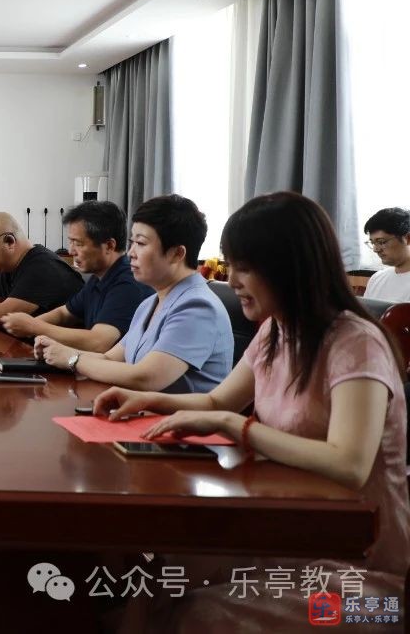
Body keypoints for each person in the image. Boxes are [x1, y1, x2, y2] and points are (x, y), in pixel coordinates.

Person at [96, 191, 408, 629]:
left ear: (289, 267)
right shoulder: (275, 331)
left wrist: (235, 426)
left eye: (244, 268)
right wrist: (148, 400)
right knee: (156, 578)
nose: (232, 280)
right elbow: (216, 400)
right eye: (231, 265)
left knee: (201, 614)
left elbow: (350, 463)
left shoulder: (355, 342)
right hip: (288, 529)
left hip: (362, 569)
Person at [35, 194, 232, 393]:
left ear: (177, 254)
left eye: (141, 243)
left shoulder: (198, 307)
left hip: (174, 414)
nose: (131, 253)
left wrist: (72, 359)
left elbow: (146, 377)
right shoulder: (149, 304)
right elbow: (109, 358)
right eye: (132, 242)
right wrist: (57, 351)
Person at [0, 200, 153, 353]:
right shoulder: (98, 277)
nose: (71, 251)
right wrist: (24, 325)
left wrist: (34, 327)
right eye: (70, 242)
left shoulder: (128, 282)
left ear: (109, 245)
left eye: (78, 243)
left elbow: (99, 342)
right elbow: (64, 314)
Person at [363, 207, 410, 302]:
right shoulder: (376, 279)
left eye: (381, 242)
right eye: (373, 243)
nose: (376, 249)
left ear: (407, 239)